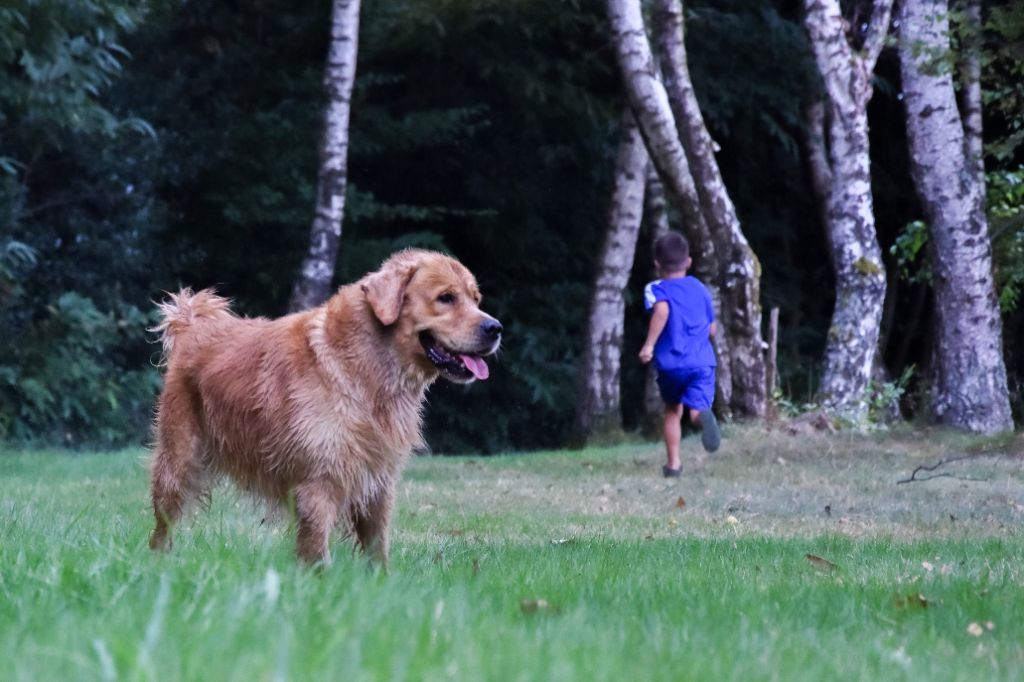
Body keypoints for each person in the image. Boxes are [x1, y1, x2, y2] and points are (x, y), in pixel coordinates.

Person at [639, 232, 720, 477]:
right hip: (702, 362)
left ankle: (673, 465)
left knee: (673, 410)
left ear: (656, 264)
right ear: (688, 262)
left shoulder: (655, 288)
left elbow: (662, 310)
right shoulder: (700, 288)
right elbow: (712, 329)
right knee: (695, 409)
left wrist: (648, 346)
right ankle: (701, 417)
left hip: (672, 364)